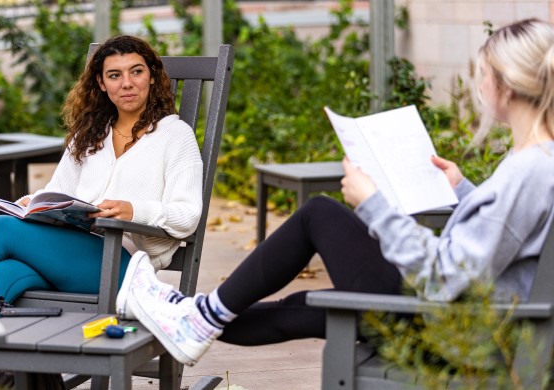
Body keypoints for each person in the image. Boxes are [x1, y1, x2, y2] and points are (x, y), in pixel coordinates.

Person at [115, 18, 554, 366]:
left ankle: (191, 316)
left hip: (458, 334)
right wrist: (463, 189)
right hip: (484, 330)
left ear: (506, 86)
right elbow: (502, 237)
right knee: (311, 303)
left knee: (320, 214)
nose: (479, 87)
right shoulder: (542, 162)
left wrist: (374, 204)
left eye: (482, 76)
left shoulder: (527, 171)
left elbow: (445, 277)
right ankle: (191, 317)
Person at [0, 35, 203, 369]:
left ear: (152, 77)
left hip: (123, 265)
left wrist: (134, 210)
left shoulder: (175, 136)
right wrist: (33, 204)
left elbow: (187, 216)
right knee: (2, 272)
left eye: (136, 72)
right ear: (101, 83)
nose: (127, 83)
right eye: (115, 75)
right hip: (66, 257)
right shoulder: (89, 136)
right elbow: (56, 193)